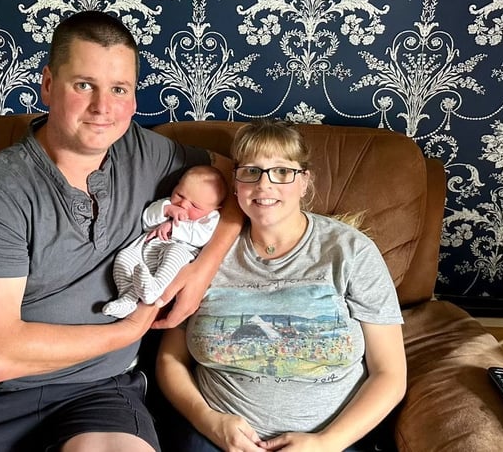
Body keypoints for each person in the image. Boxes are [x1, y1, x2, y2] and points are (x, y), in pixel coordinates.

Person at [0, 10, 242, 452]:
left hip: (100, 390)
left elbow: (243, 180)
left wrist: (199, 274)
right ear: (47, 85)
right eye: (84, 85)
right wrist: (129, 330)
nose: (103, 108)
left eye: (119, 89)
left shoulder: (147, 151)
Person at [156, 119, 407, 452]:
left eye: (282, 172)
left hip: (331, 441)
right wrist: (209, 421)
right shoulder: (204, 253)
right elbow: (169, 360)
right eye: (252, 172)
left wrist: (326, 443)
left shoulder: (350, 251)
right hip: (215, 438)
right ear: (235, 183)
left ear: (305, 181)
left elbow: (389, 374)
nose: (265, 185)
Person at [104, 165, 228, 318]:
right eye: (180, 195)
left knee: (174, 254)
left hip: (179, 250)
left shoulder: (210, 218)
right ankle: (127, 297)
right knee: (124, 257)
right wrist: (166, 210)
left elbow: (202, 237)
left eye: (195, 205)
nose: (183, 204)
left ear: (215, 208)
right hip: (146, 249)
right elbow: (146, 221)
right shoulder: (168, 204)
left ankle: (155, 288)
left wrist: (173, 227)